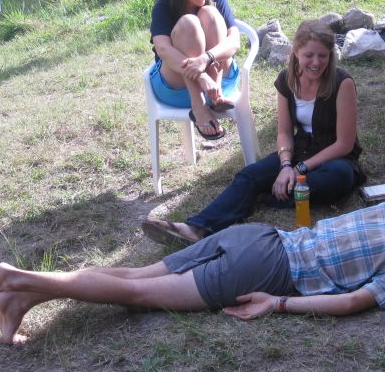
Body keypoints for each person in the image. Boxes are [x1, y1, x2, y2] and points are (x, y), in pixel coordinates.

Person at [0, 203, 385, 344]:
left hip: (257, 236)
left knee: (135, 276)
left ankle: (23, 297)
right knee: (136, 295)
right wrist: (277, 302)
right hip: (269, 269)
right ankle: (21, 280)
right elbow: (352, 302)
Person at [142, 19, 366, 245]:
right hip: (300, 151)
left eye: (322, 56)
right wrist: (285, 165)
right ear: (297, 52)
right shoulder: (286, 80)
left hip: (334, 160)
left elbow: (344, 144)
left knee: (337, 177)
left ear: (330, 55)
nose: (316, 62)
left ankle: (266, 196)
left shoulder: (342, 83)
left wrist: (297, 169)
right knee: (248, 176)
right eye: (309, 55)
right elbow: (284, 133)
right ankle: (194, 228)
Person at [149, 0, 241, 140]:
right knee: (189, 23)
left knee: (210, 13)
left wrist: (206, 59)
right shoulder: (164, 8)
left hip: (222, 83)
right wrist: (201, 75)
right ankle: (199, 105)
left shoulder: (218, 2)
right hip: (176, 88)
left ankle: (216, 97)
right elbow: (163, 49)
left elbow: (234, 42)